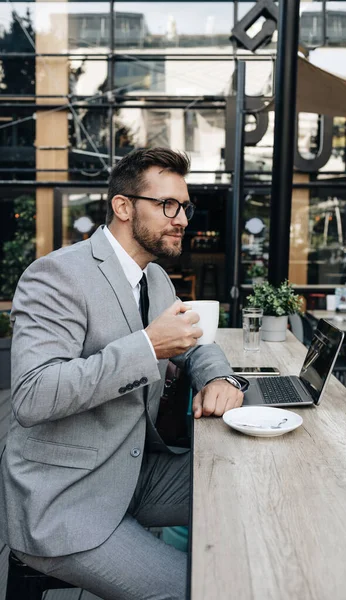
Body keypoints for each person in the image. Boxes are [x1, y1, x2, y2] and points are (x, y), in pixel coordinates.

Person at [0, 147, 248, 600]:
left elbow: (193, 344)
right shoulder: (57, 275)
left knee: (243, 480)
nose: (182, 219)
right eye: (168, 205)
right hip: (64, 500)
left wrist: (220, 379)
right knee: (203, 589)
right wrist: (148, 347)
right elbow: (33, 396)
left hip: (131, 472)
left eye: (185, 206)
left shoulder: (154, 279)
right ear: (123, 207)